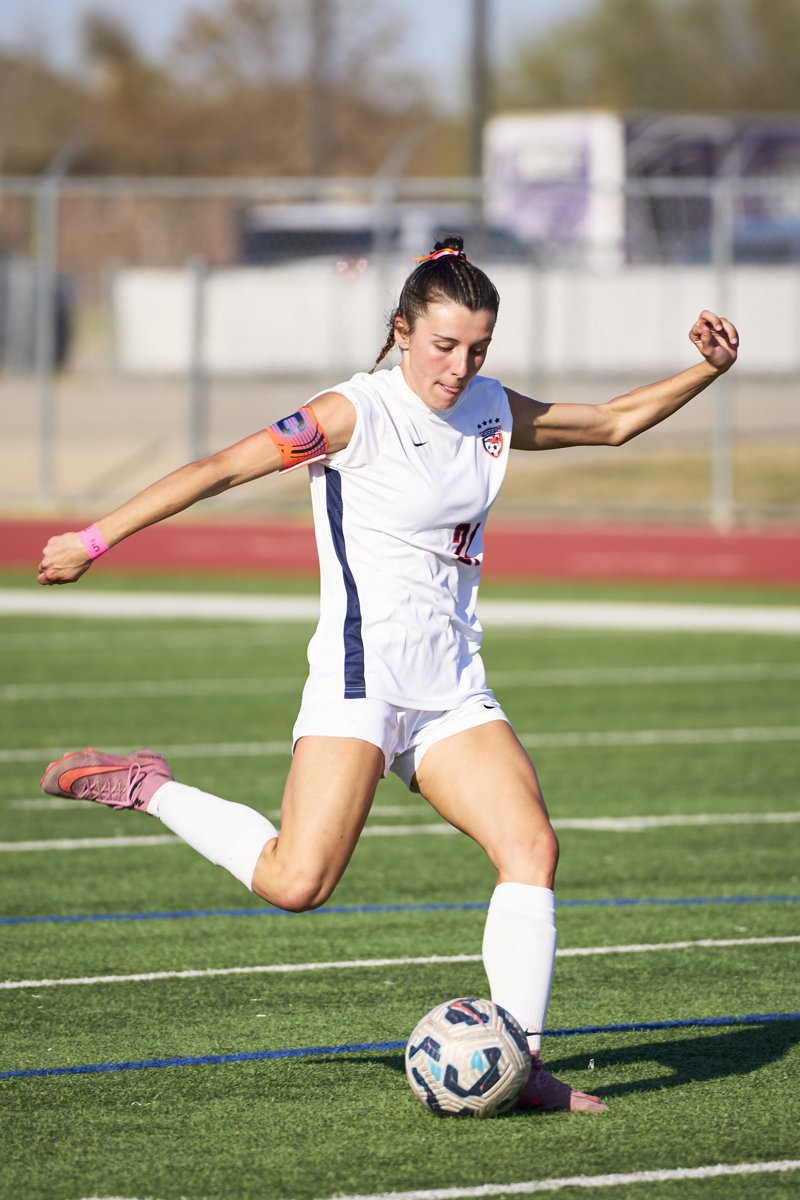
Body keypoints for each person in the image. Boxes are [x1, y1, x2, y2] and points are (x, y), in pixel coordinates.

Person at [37, 237, 739, 1113]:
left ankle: (516, 1063)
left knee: (531, 851)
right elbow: (218, 470)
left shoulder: (487, 408)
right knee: (298, 883)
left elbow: (609, 423)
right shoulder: (348, 413)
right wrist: (94, 540)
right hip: (360, 681)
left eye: (478, 347)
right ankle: (146, 787)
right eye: (444, 345)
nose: (461, 364)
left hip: (450, 685)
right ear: (401, 331)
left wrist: (703, 369)